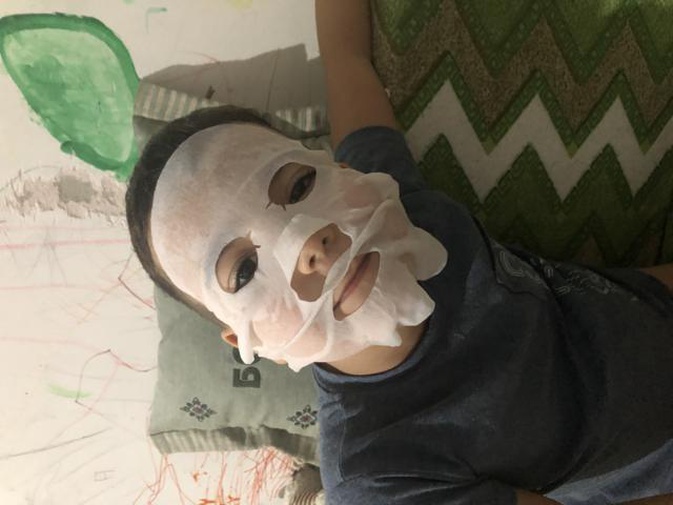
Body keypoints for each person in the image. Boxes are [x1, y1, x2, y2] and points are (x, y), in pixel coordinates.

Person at [125, 1, 673, 503]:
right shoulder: (380, 476)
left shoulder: (388, 204)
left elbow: (346, 56)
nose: (307, 243)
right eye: (243, 270)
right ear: (254, 345)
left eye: (298, 186)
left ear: (341, 169)